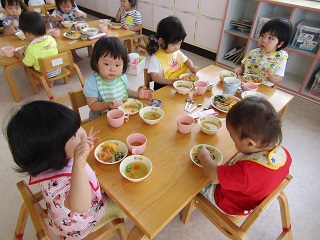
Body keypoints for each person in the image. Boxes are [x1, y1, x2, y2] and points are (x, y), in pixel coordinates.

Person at [4, 101, 126, 239]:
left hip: (63, 214)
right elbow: (81, 206)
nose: (82, 133)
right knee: (126, 203)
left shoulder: (49, 165)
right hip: (83, 223)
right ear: (53, 153)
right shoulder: (61, 182)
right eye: (74, 135)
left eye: (78, 126)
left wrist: (82, 144)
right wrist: (79, 165)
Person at [197, 97, 292, 215]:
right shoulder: (285, 155)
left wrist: (203, 155)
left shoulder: (245, 173)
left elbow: (214, 176)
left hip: (228, 203)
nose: (232, 140)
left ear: (249, 143)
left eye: (232, 137)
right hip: (247, 195)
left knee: (192, 178)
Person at [84, 36, 153, 121]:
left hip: (121, 116)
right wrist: (107, 105)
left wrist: (137, 94)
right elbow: (92, 105)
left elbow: (125, 91)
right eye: (107, 64)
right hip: (101, 120)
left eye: (117, 65)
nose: (112, 69)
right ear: (96, 63)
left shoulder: (121, 76)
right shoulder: (92, 83)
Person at [146, 16, 199, 90]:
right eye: (173, 45)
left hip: (179, 85)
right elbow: (154, 77)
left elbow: (187, 61)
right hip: (164, 88)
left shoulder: (176, 52)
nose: (177, 47)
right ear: (162, 41)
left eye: (179, 43)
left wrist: (192, 67)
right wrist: (171, 81)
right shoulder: (155, 58)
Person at [234, 17, 292, 85]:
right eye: (262, 35)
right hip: (246, 84)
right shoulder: (254, 53)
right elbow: (242, 67)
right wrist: (238, 70)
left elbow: (279, 78)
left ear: (280, 44)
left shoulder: (280, 58)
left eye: (270, 38)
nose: (264, 41)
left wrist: (271, 77)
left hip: (264, 87)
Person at [14, 11, 60, 88]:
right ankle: (51, 83)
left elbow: (26, 64)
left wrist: (19, 55)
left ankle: (45, 82)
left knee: (30, 66)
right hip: (57, 69)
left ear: (28, 33)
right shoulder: (50, 38)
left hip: (44, 73)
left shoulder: (31, 48)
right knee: (46, 59)